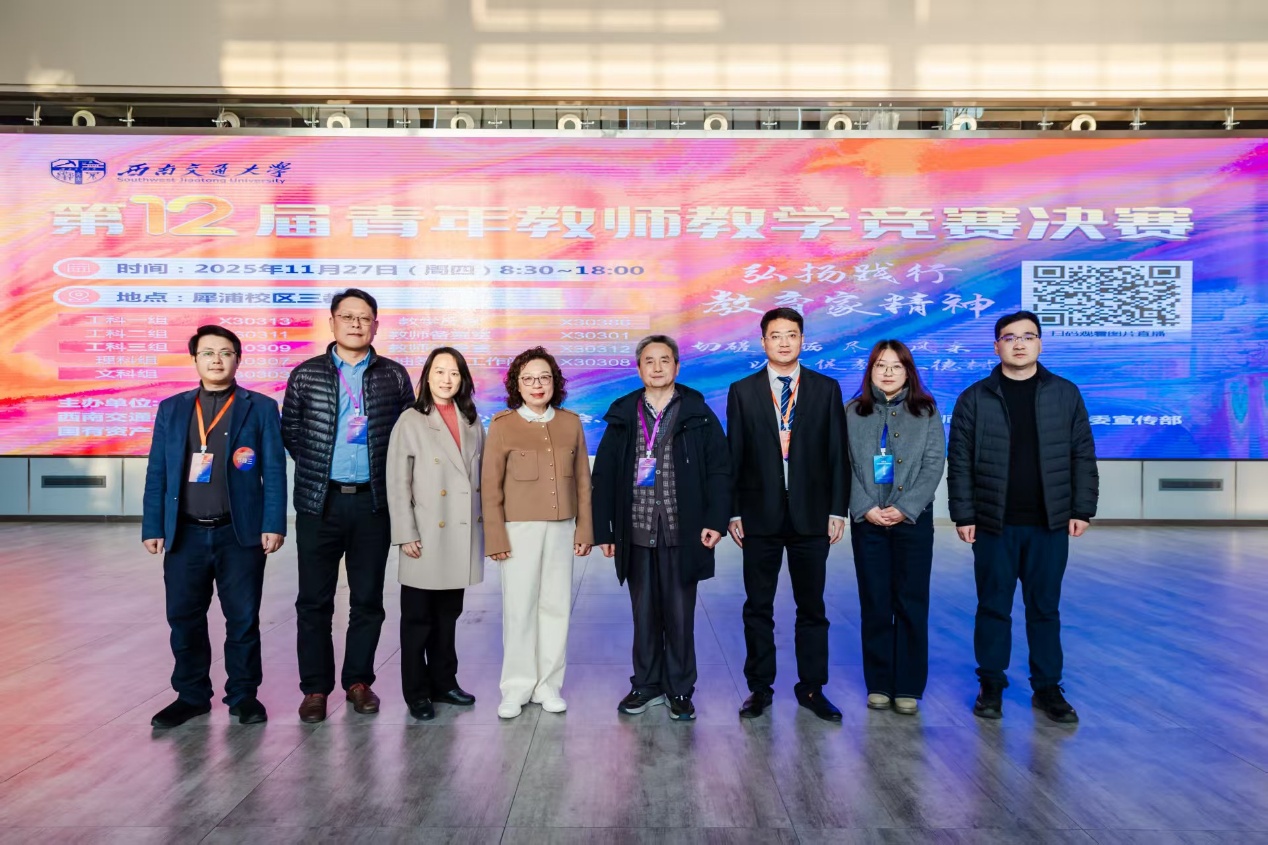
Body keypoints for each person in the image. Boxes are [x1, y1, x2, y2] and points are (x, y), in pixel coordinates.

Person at [947, 310, 1099, 724]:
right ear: (996, 346)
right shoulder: (974, 398)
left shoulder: (1065, 393)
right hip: (993, 523)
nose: (1019, 344)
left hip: (1049, 523)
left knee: (1044, 608)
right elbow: (959, 463)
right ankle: (991, 684)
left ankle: (1047, 688)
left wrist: (1082, 508)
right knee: (993, 607)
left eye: (1028, 336)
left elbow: (1082, 454)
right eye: (1010, 337)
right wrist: (963, 514)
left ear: (1040, 344)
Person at [142, 325, 286, 727]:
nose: (217, 360)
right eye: (207, 353)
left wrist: (273, 522)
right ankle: (191, 696)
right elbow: (158, 471)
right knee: (184, 618)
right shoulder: (172, 409)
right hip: (185, 533)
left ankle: (243, 695)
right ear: (195, 360)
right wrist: (153, 525)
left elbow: (275, 471)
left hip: (238, 533)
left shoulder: (260, 407)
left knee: (242, 619)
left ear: (238, 359)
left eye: (225, 352)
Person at [281, 288, 415, 723]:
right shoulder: (306, 374)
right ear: (332, 322)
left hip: (373, 504)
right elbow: (292, 433)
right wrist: (323, 469)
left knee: (368, 600)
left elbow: (407, 435)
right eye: (348, 317)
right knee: (313, 602)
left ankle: (358, 682)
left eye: (365, 318)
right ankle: (315, 689)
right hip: (320, 503)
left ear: (376, 325)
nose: (357, 324)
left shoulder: (394, 376)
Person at [591, 335, 731, 722]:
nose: (657, 367)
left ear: (677, 366)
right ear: (639, 369)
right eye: (649, 361)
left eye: (664, 360)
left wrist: (716, 521)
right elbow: (603, 475)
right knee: (644, 614)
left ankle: (680, 689)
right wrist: (604, 531)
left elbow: (720, 470)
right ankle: (646, 684)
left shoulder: (698, 413)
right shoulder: (623, 414)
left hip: (682, 530)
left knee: (680, 615)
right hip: (636, 530)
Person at [726, 307, 849, 722]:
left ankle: (812, 688)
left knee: (811, 607)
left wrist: (837, 509)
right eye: (775, 335)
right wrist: (733, 512)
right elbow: (734, 455)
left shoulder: (825, 388)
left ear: (802, 340)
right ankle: (759, 688)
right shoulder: (742, 391)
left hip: (811, 516)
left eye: (791, 334)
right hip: (758, 515)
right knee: (758, 606)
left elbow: (837, 453)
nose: (783, 342)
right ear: (763, 341)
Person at [482, 347, 593, 719]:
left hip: (561, 529)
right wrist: (496, 537)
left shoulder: (570, 423)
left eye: (544, 377)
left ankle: (548, 686)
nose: (537, 385)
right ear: (517, 384)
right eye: (528, 378)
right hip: (518, 530)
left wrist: (585, 529)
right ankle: (516, 687)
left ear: (555, 382)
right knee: (520, 609)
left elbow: (583, 482)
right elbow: (490, 487)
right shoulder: (502, 425)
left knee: (556, 607)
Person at [845, 340, 945, 716]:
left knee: (911, 601)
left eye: (896, 366)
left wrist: (905, 508)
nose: (887, 372)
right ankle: (879, 683)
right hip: (867, 521)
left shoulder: (926, 410)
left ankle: (908, 686)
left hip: (913, 521)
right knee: (875, 602)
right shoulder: (852, 411)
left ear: (908, 372)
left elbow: (934, 463)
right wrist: (865, 506)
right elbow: (842, 463)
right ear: (870, 371)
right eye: (880, 365)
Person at [386, 347, 485, 721]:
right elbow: (398, 482)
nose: (447, 379)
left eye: (454, 373)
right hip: (425, 533)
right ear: (427, 377)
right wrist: (405, 533)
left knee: (448, 616)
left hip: (458, 532)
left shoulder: (471, 420)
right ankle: (417, 692)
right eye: (440, 371)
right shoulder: (410, 420)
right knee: (417, 619)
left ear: (463, 379)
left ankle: (444, 682)